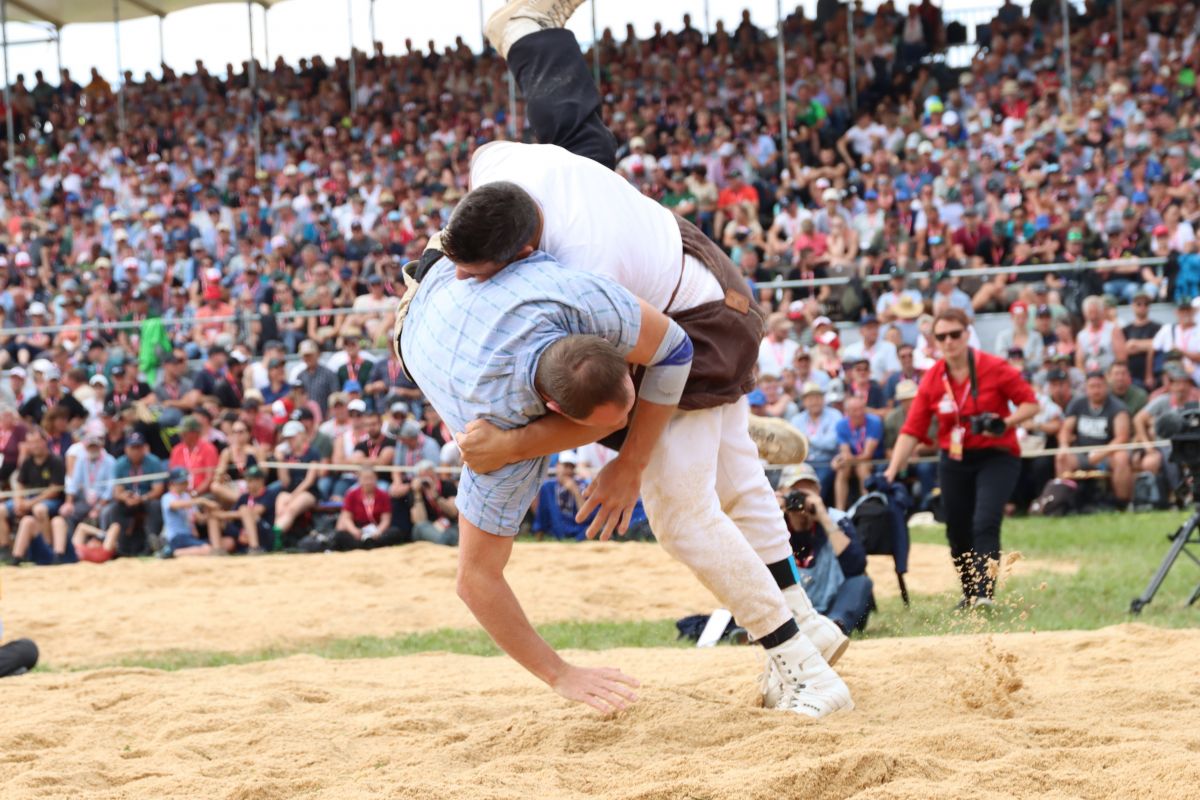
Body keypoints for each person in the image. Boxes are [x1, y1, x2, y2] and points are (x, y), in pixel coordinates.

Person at [884, 308, 1039, 608]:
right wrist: (891, 471)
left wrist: (1005, 423)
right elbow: (912, 429)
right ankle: (969, 593)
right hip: (955, 459)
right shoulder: (933, 377)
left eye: (955, 334)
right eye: (941, 336)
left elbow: (1030, 404)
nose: (949, 341)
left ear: (967, 334)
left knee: (985, 521)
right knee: (956, 527)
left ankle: (984, 595)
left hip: (997, 455)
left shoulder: (995, 367)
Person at [779, 464, 873, 634]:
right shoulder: (772, 523)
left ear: (818, 491)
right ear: (781, 493)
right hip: (788, 609)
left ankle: (834, 627)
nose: (800, 499)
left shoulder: (837, 518)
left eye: (808, 491)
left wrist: (823, 518)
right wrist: (772, 511)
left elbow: (856, 567)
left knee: (861, 582)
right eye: (795, 492)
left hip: (832, 604)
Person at [1055, 371, 1134, 506]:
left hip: (1108, 454)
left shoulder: (1118, 407)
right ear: (1086, 388)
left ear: (1106, 387)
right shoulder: (1077, 404)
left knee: (1121, 458)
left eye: (1099, 386)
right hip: (1081, 453)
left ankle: (1122, 503)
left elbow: (1122, 437)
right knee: (1061, 457)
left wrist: (1100, 453)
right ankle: (1063, 502)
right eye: (1092, 386)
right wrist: (1063, 445)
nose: (1096, 390)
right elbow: (1065, 430)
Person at [4, 428, 67, 566]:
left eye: (37, 442)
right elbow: (19, 483)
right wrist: (19, 501)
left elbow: (54, 491)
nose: (34, 446)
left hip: (52, 501)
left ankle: (47, 548)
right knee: (1, 510)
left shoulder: (56, 461)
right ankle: (5, 550)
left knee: (39, 509)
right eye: (31, 443)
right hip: (30, 499)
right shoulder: (27, 461)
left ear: (45, 442)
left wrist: (29, 504)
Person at [109, 432, 165, 555]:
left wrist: (143, 498)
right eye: (132, 448)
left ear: (144, 448)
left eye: (138, 447)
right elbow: (117, 491)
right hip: (128, 500)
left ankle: (151, 544)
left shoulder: (154, 462)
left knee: (155, 505)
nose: (136, 451)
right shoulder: (120, 464)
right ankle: (119, 547)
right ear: (126, 449)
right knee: (114, 509)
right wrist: (125, 498)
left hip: (147, 498)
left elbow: (158, 489)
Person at [789, 382, 841, 500]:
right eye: (810, 398)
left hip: (826, 462)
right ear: (804, 402)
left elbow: (832, 443)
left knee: (816, 484)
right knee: (792, 483)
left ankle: (815, 507)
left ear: (823, 399)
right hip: (803, 462)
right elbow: (794, 445)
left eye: (817, 397)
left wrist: (808, 440)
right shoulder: (797, 419)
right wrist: (817, 441)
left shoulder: (834, 415)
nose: (814, 402)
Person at [832, 395, 883, 510]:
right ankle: (839, 509)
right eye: (854, 410)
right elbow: (845, 452)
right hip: (853, 460)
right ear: (847, 412)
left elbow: (867, 455)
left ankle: (867, 507)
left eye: (861, 409)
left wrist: (843, 459)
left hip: (873, 460)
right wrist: (840, 460)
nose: (859, 413)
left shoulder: (874, 422)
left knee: (862, 468)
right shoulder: (841, 425)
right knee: (842, 469)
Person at [159, 467, 221, 557]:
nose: (185, 484)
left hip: (188, 536)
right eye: (181, 482)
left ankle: (171, 551)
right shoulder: (167, 497)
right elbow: (174, 505)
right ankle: (171, 552)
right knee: (207, 549)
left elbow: (199, 519)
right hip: (177, 537)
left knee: (220, 544)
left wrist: (209, 513)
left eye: (186, 481)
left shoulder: (186, 497)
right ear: (172, 483)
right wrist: (201, 501)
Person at [532, 451, 593, 541]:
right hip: (555, 533)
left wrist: (575, 492)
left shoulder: (583, 486)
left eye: (571, 467)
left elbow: (586, 517)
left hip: (580, 533)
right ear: (557, 466)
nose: (568, 470)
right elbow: (541, 516)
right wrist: (539, 539)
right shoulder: (548, 487)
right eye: (565, 466)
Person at [336, 466, 394, 550]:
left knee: (394, 532)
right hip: (359, 529)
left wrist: (378, 531)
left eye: (371, 478)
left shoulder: (383, 495)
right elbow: (346, 518)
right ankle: (365, 545)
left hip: (376, 529)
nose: (368, 482)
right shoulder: (351, 494)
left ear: (376, 478)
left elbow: (386, 520)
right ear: (359, 479)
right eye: (365, 479)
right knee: (340, 535)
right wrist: (354, 531)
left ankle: (370, 544)